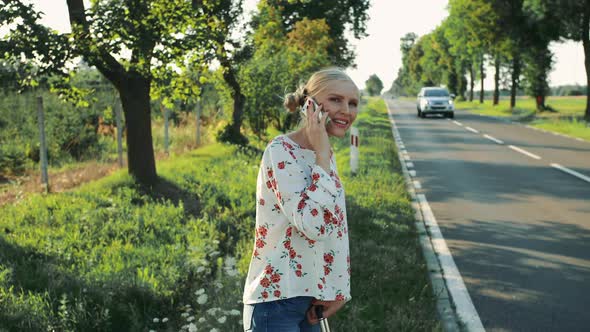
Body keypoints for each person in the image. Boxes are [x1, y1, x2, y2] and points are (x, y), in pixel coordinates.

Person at [242, 68, 359, 331]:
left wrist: (339, 290)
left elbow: (335, 228)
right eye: (336, 100)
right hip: (275, 303)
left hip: (311, 301)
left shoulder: (325, 156)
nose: (347, 110)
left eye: (353, 103)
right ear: (310, 104)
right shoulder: (280, 151)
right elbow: (313, 225)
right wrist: (320, 151)